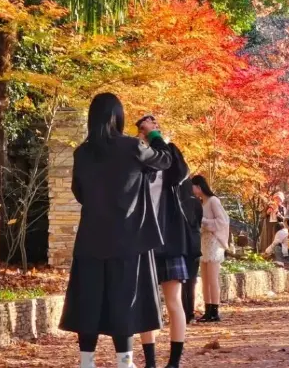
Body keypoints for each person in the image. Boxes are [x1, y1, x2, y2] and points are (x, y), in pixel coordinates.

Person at [59, 93, 173, 368]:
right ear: (117, 116)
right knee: (125, 297)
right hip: (128, 238)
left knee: (88, 298)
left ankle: (86, 362)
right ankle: (124, 361)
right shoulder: (132, 146)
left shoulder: (82, 152)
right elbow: (165, 160)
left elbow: (79, 193)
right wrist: (154, 134)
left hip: (91, 237)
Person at [136, 114, 190, 368]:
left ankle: (174, 363)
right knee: (146, 304)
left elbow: (179, 169)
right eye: (147, 129)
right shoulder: (138, 161)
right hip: (143, 243)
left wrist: (157, 136)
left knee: (173, 302)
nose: (149, 131)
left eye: (153, 127)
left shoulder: (169, 161)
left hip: (168, 242)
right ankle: (150, 362)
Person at [191, 175, 230, 323]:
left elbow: (222, 221)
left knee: (213, 278)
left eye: (193, 187)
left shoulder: (214, 201)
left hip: (214, 241)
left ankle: (215, 310)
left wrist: (204, 221)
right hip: (204, 241)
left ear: (199, 187)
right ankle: (208, 310)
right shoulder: (201, 203)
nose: (192, 191)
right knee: (206, 278)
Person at [179, 178, 203, 324]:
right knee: (191, 281)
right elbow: (199, 222)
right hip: (194, 245)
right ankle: (190, 313)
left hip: (181, 245)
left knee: (181, 282)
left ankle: (182, 312)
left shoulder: (177, 202)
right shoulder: (196, 203)